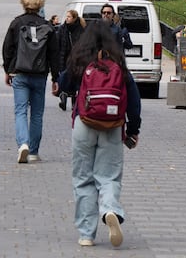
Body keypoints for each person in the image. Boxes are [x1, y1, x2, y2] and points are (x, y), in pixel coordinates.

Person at [56, 21, 141, 248]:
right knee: (109, 176)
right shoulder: (118, 64)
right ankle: (110, 209)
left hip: (84, 123)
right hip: (113, 125)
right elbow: (133, 99)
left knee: (83, 179)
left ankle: (86, 234)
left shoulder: (81, 61)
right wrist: (133, 130)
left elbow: (63, 83)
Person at [2, 0, 57, 164]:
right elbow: (54, 54)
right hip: (40, 75)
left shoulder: (16, 23)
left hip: (20, 72)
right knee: (37, 114)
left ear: (23, 4)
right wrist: (55, 78)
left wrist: (8, 70)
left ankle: (23, 143)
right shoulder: (47, 25)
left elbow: (7, 49)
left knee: (20, 111)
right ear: (40, 5)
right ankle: (33, 151)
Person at [55, 8, 86, 111]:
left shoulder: (81, 30)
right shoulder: (62, 29)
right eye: (66, 16)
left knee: (75, 81)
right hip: (64, 59)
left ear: (74, 18)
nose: (67, 18)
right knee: (63, 79)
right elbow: (57, 45)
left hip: (77, 60)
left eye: (69, 17)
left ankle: (74, 103)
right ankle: (63, 100)